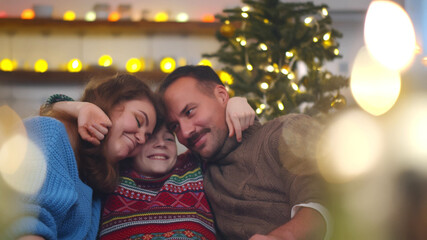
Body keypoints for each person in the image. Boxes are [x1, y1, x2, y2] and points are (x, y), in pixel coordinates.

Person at [158, 65, 330, 240]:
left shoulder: (285, 132)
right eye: (175, 127)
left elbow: (321, 203)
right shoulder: (193, 169)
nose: (185, 132)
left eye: (189, 112)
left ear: (222, 96)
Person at [9, 74, 158, 240]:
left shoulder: (99, 185)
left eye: (147, 135)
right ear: (110, 102)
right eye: (138, 120)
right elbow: (27, 227)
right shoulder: (51, 132)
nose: (142, 139)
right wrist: (79, 108)